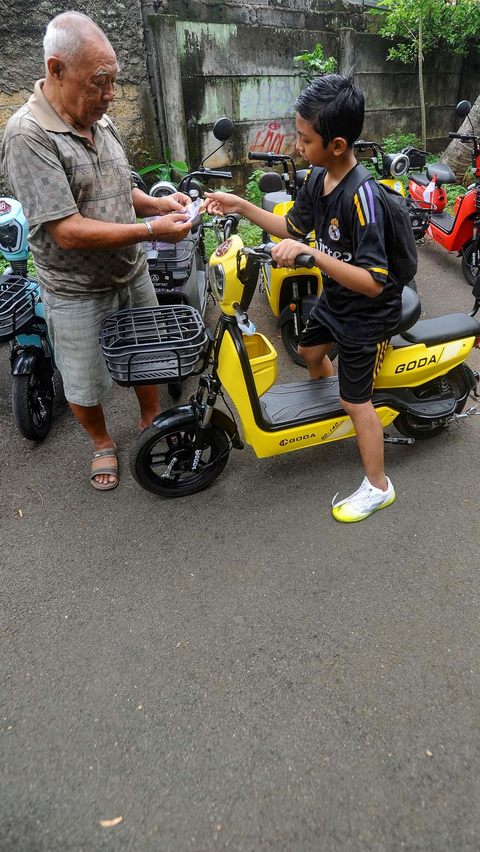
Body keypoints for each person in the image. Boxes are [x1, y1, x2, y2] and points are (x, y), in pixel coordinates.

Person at [1, 11, 192, 490]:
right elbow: (66, 229)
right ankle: (102, 441)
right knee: (84, 380)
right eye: (99, 83)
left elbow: (119, 185)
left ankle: (151, 414)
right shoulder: (28, 135)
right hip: (76, 288)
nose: (109, 95)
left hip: (131, 272)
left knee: (146, 354)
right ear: (56, 69)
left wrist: (156, 202)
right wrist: (151, 230)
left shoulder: (98, 119)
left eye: (113, 82)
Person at [206, 74, 402, 523]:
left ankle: (378, 485)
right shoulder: (318, 178)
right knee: (311, 351)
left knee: (357, 401)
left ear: (336, 144)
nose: (296, 146)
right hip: (335, 301)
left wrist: (311, 255)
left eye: (303, 138)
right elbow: (292, 229)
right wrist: (241, 205)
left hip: (366, 314)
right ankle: (331, 421)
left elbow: (373, 281)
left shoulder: (363, 197)